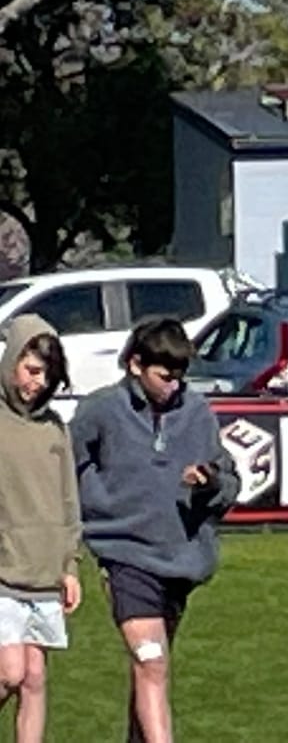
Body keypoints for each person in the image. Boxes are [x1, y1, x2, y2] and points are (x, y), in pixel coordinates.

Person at [72, 317, 238, 743]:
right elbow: (63, 471)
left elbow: (229, 483)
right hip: (125, 554)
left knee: (151, 669)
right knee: (151, 661)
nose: (174, 386)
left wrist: (211, 482)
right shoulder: (100, 410)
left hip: (181, 559)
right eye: (165, 376)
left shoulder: (198, 413)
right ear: (135, 364)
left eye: (180, 376)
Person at [0, 318, 82, 743]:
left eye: (47, 374)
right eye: (32, 370)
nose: (39, 382)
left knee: (34, 678)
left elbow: (68, 499)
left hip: (46, 572)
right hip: (4, 571)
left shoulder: (54, 428)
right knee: (10, 672)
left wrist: (70, 566)